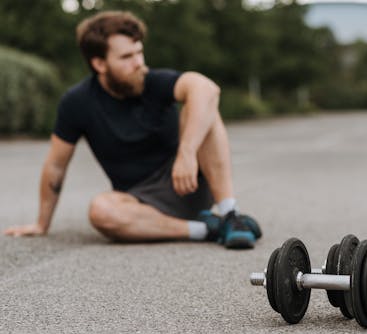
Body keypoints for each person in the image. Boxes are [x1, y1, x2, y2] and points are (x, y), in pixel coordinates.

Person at [3, 11, 262, 249]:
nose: (139, 63)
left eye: (139, 52)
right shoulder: (77, 102)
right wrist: (41, 224)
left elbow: (207, 88)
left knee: (204, 107)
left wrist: (187, 152)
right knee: (101, 211)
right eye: (127, 57)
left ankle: (230, 214)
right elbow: (56, 166)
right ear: (100, 64)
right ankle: (206, 229)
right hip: (143, 204)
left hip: (190, 179)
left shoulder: (153, 81)